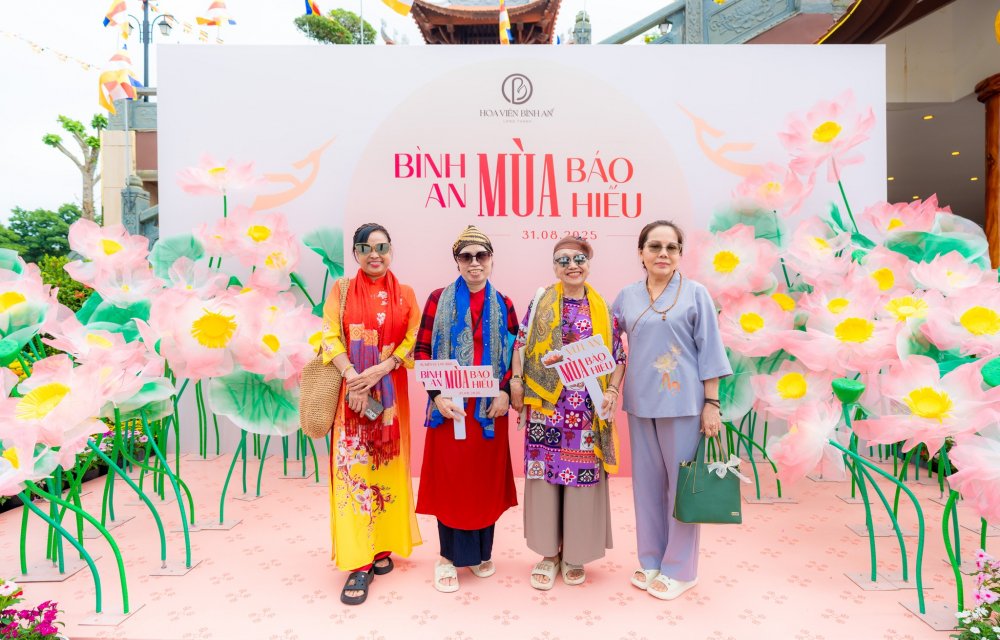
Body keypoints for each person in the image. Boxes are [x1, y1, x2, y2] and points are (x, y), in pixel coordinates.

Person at [612, 220, 732, 601]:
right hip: (639, 404)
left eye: (671, 247)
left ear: (680, 254)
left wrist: (712, 404)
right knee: (646, 487)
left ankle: (680, 569)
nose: (663, 253)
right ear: (641, 252)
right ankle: (650, 560)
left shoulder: (696, 294)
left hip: (684, 406)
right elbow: (610, 346)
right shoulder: (626, 297)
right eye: (655, 246)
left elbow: (710, 351)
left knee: (682, 488)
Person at [510, 235, 626, 590]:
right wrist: (517, 381)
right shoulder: (541, 301)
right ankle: (548, 555)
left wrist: (611, 390)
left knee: (581, 480)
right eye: (563, 260)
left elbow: (619, 357)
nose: (572, 266)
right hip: (546, 407)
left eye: (579, 259)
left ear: (588, 264)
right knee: (545, 478)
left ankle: (575, 554)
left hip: (586, 411)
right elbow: (521, 342)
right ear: (554, 266)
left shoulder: (604, 309)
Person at [320, 222, 422, 606]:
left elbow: (414, 339)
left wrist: (381, 369)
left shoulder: (406, 294)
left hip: (391, 402)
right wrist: (354, 378)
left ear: (391, 250)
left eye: (381, 247)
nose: (374, 254)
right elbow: (329, 335)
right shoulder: (341, 290)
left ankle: (381, 546)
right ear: (356, 254)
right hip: (352, 402)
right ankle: (359, 562)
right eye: (365, 248)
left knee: (385, 472)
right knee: (354, 476)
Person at [414, 225, 519, 594]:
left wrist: (505, 392)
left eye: (481, 255)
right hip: (449, 409)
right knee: (451, 482)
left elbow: (515, 354)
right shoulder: (437, 299)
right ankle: (447, 557)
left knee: (483, 483)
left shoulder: (504, 303)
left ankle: (481, 553)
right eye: (466, 256)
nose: (475, 263)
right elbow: (422, 350)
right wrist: (436, 395)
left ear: (491, 260)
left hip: (488, 411)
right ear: (457, 261)